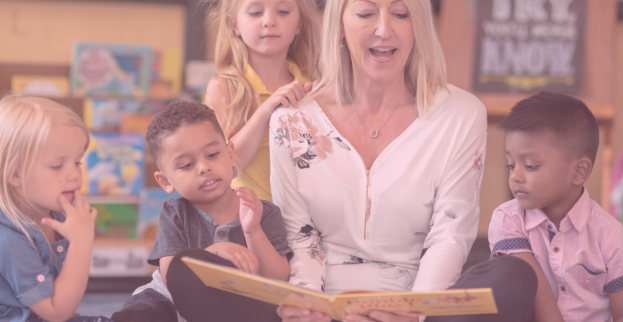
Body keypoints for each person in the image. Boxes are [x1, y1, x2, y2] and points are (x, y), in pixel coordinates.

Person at [271, 0, 537, 321]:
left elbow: (449, 236)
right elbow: (300, 239)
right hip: (324, 303)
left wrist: (414, 313)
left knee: (513, 275)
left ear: (419, 27)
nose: (384, 30)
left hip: (419, 304)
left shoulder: (462, 114)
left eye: (400, 14)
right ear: (339, 25)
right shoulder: (291, 119)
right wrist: (308, 305)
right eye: (366, 14)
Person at [110, 101, 292, 322]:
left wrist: (253, 231)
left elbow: (279, 279)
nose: (203, 167)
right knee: (140, 314)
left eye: (212, 154)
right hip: (169, 298)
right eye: (187, 165)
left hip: (237, 302)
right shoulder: (175, 212)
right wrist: (213, 253)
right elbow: (171, 277)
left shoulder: (263, 212)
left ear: (230, 154)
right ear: (166, 181)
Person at [488, 92, 623, 322]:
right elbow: (536, 289)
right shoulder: (508, 219)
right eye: (511, 165)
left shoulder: (610, 235)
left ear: (579, 171)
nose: (515, 176)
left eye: (530, 166)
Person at [0, 95, 111, 322]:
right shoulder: (9, 239)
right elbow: (57, 312)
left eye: (77, 162)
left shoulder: (57, 213)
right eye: (57, 165)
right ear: (15, 175)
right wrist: (81, 241)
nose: (74, 174)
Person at [204, 0, 320, 202]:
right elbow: (223, 168)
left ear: (299, 24)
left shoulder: (314, 90)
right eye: (256, 12)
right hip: (245, 221)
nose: (269, 21)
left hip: (305, 222)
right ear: (234, 25)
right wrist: (266, 110)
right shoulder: (223, 88)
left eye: (283, 11)